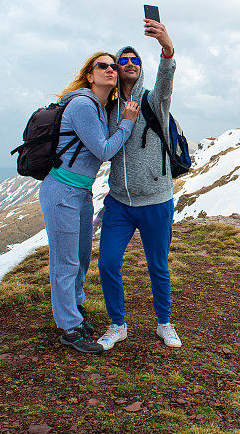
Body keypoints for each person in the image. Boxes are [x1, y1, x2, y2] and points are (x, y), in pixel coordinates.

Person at [38, 52, 140, 354]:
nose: (109, 70)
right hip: (62, 193)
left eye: (113, 66)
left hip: (79, 192)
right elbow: (104, 150)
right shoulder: (83, 104)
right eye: (102, 66)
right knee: (65, 261)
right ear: (90, 75)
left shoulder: (97, 106)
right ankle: (69, 328)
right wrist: (127, 123)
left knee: (81, 256)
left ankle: (75, 310)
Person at [97, 19, 181, 349]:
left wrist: (166, 47)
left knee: (158, 266)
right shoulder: (110, 108)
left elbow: (167, 79)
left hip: (156, 201)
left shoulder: (154, 100)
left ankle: (164, 322)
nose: (130, 64)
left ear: (140, 68)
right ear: (117, 69)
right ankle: (117, 325)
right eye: (124, 60)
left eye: (136, 60)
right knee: (107, 264)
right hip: (119, 202)